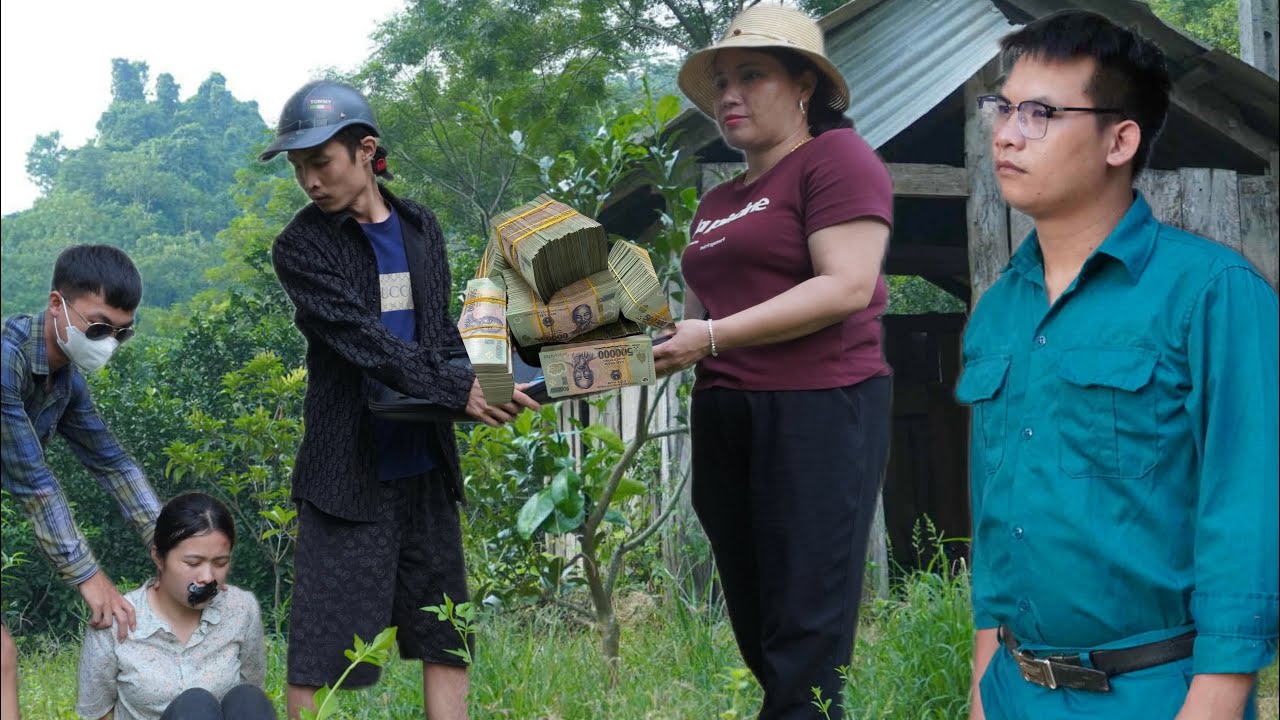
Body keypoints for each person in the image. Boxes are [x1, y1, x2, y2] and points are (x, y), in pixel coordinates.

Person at [955, 10, 1278, 720]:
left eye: (1039, 112)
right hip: (1013, 690)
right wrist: (984, 689)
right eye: (1002, 108)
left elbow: (1247, 516)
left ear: (1119, 138)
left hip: (1155, 693)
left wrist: (1215, 703)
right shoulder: (998, 312)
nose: (1007, 133)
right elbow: (996, 516)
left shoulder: (1213, 294)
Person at [259, 80, 539, 719]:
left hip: (424, 469)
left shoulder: (420, 226)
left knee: (446, 635)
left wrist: (499, 385)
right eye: (299, 167)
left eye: (320, 161)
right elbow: (361, 341)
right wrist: (457, 390)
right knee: (323, 649)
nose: (308, 180)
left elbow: (441, 335)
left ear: (366, 151)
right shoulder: (301, 247)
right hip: (346, 475)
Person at [652, 6, 894, 718]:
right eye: (721, 81)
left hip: (817, 409)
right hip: (726, 411)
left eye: (750, 75)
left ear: (804, 86)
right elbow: (698, 318)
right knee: (763, 632)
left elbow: (846, 285)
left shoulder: (836, 160)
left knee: (805, 638)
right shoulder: (717, 201)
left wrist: (713, 337)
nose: (729, 94)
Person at [2, 245, 163, 720]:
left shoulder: (65, 379)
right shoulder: (7, 360)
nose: (108, 342)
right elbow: (33, 484)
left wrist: (167, 540)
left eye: (121, 332)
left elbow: (112, 463)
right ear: (57, 305)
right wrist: (89, 578)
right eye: (98, 327)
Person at [75, 492, 273, 720]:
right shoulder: (117, 620)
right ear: (159, 557)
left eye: (220, 563)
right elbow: (97, 713)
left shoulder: (241, 609)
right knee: (195, 706)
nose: (208, 577)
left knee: (249, 699)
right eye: (193, 563)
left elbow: (252, 685)